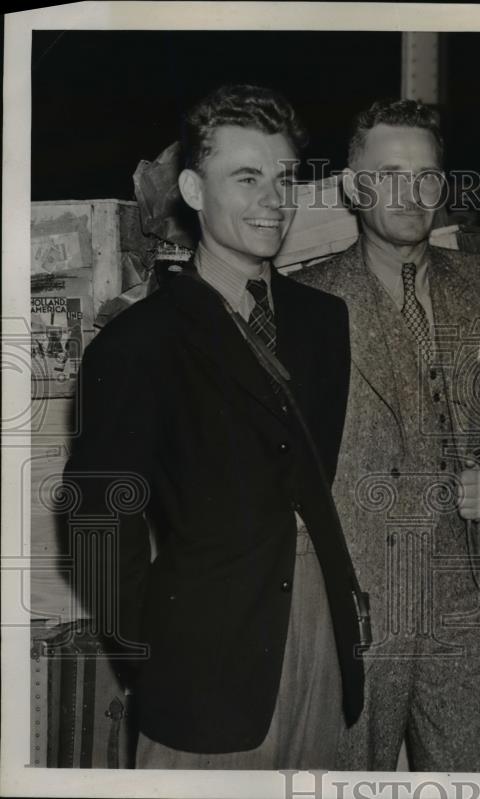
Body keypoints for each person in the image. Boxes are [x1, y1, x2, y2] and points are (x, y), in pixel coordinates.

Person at [62, 84, 364, 769]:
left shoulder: (322, 324)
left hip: (319, 645)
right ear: (194, 191)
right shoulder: (138, 342)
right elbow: (93, 521)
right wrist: (154, 646)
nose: (273, 199)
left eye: (284, 177)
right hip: (202, 669)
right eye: (247, 177)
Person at [291, 98, 480, 772]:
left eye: (425, 175)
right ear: (354, 188)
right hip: (358, 610)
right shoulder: (308, 302)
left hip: (464, 602)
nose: (410, 193)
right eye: (388, 174)